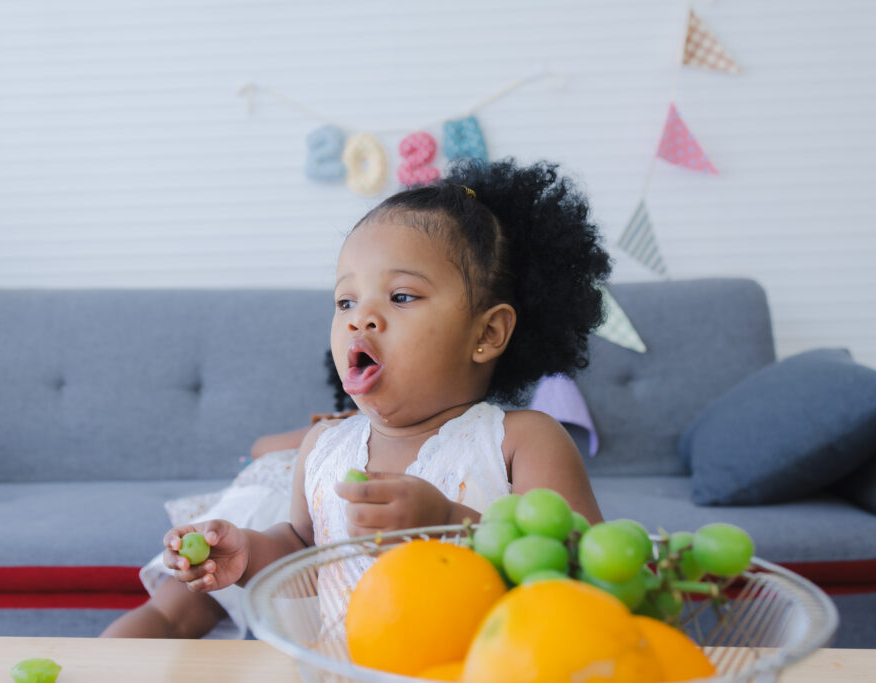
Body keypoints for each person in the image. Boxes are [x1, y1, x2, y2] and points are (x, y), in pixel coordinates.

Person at [162, 157, 612, 629]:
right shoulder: (323, 449)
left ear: (489, 333)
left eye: (401, 296)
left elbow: (583, 573)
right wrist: (249, 555)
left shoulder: (521, 441)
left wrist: (448, 521)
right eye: (346, 301)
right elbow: (305, 554)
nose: (360, 318)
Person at [100, 357, 354, 639]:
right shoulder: (334, 428)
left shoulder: (348, 433)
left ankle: (97, 667)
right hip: (263, 509)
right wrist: (326, 427)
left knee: (168, 615)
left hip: (268, 509)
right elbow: (261, 447)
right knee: (174, 614)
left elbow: (261, 449)